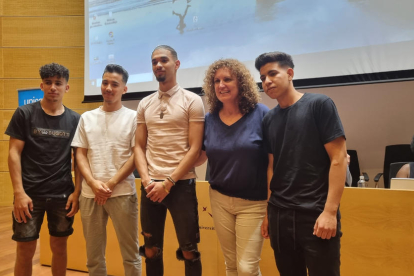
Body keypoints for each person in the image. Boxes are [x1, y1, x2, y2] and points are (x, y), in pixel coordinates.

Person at [255, 52, 347, 276]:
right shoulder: (269, 119)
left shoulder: (319, 104)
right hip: (280, 216)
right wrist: (269, 212)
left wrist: (329, 212)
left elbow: (339, 159)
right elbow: (271, 167)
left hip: (315, 215)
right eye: (263, 77)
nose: (267, 81)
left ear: (290, 73)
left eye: (272, 73)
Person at [135, 45, 204, 276]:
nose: (158, 65)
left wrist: (168, 183)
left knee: (189, 251)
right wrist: (146, 182)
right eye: (154, 61)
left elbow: (195, 149)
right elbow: (139, 146)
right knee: (151, 250)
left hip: (181, 184)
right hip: (150, 186)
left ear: (176, 64)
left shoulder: (192, 101)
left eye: (164, 60)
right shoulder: (144, 103)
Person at [6, 63, 81, 276]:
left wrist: (76, 192)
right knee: (25, 249)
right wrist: (19, 192)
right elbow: (13, 154)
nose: (53, 87)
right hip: (29, 195)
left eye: (58, 83)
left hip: (62, 195)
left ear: (67, 87)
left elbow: (80, 159)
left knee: (59, 248)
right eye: (48, 83)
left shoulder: (75, 120)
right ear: (42, 85)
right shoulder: (24, 113)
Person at [196, 59, 270, 276]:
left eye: (227, 79)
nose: (221, 85)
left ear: (242, 83)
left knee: (247, 268)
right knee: (231, 265)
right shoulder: (209, 120)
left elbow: (274, 162)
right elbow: (200, 156)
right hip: (219, 200)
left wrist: (271, 205)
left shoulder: (261, 114)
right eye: (216, 81)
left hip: (254, 203)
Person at [72, 64, 141, 276]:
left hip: (121, 193)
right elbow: (80, 154)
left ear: (124, 89)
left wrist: (109, 185)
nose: (108, 88)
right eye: (105, 83)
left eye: (114, 84)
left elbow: (136, 155)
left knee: (131, 256)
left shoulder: (133, 117)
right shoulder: (87, 117)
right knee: (93, 258)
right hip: (89, 195)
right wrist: (93, 183)